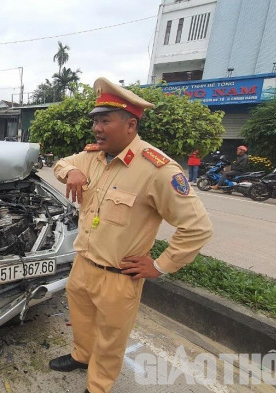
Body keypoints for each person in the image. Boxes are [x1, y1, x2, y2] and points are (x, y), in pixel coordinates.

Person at [49, 77, 213, 393]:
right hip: (83, 264)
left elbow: (198, 227)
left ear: (130, 125)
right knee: (81, 321)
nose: (97, 128)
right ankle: (82, 356)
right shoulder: (92, 157)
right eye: (95, 120)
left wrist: (161, 265)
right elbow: (61, 163)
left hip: (117, 275)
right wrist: (71, 172)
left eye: (105, 120)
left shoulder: (158, 169)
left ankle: (97, 385)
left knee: (111, 337)